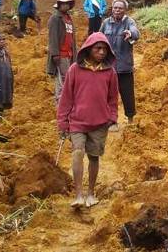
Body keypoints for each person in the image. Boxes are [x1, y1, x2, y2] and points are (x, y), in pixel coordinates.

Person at [57, 32, 118, 209]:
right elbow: (66, 98)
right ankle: (78, 194)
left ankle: (91, 193)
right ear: (88, 49)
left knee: (93, 157)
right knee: (77, 152)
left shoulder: (110, 72)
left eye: (104, 49)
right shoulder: (74, 70)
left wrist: (112, 117)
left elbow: (113, 98)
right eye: (97, 48)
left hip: (100, 123)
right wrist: (63, 122)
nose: (101, 52)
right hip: (77, 121)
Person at [100, 0, 139, 124]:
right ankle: (111, 121)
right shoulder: (106, 23)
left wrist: (130, 33)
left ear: (125, 10)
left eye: (120, 8)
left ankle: (130, 119)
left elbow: (136, 32)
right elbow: (99, 37)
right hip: (108, 66)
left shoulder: (129, 22)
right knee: (108, 95)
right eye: (115, 8)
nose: (117, 10)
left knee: (127, 94)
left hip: (124, 66)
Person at [46, 0, 77, 105]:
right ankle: (60, 103)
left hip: (69, 54)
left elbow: (72, 38)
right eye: (63, 4)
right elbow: (53, 37)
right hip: (61, 54)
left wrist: (74, 54)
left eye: (67, 4)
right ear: (59, 5)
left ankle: (66, 103)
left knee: (68, 79)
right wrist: (55, 54)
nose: (65, 6)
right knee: (62, 79)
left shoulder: (69, 19)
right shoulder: (55, 19)